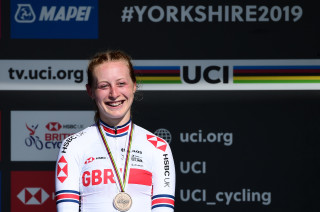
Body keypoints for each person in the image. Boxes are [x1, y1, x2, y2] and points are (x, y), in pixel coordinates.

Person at [55, 50, 176, 212]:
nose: (114, 93)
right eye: (104, 86)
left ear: (134, 86)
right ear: (90, 91)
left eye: (121, 83)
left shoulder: (158, 147)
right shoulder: (73, 145)